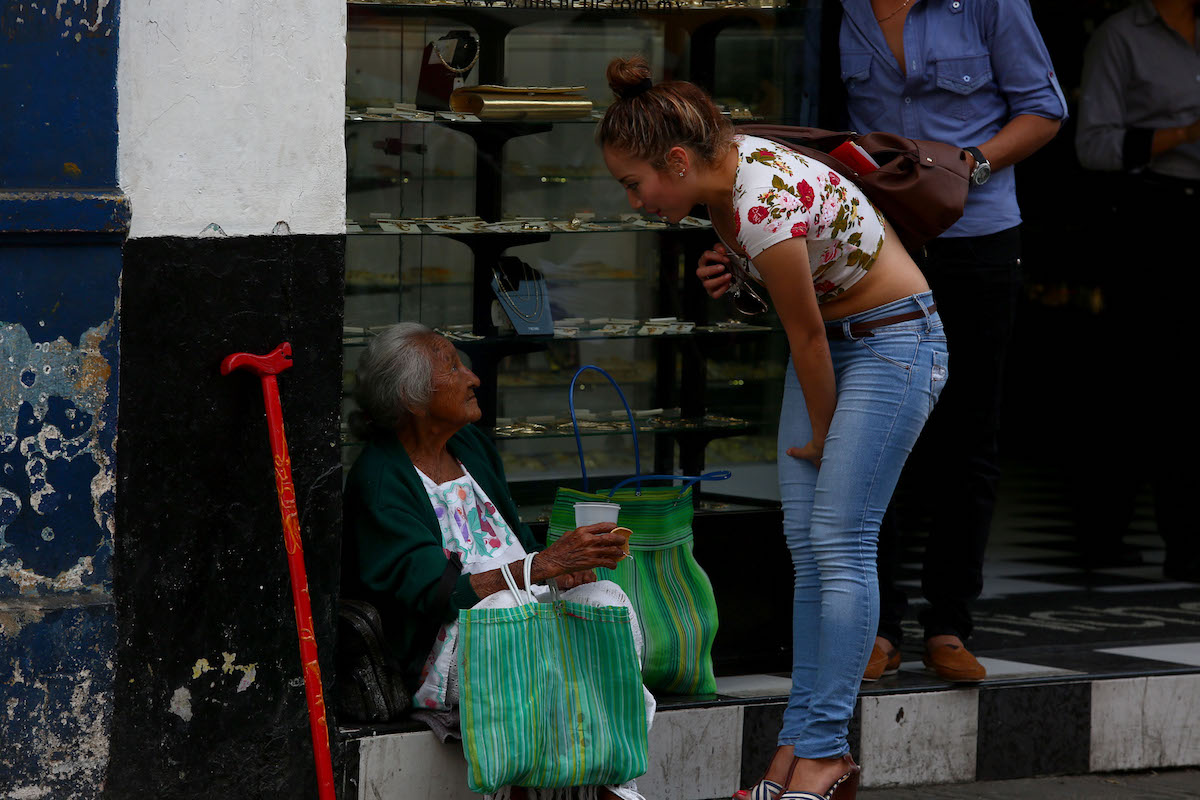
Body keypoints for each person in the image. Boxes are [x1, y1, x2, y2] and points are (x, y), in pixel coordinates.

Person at [598, 56, 948, 800]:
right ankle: (796, 748)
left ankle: (822, 753)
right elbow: (804, 300)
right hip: (840, 346)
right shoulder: (725, 184)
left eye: (635, 183)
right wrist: (738, 281)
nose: (634, 202)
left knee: (842, 543)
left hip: (893, 345)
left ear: (680, 159)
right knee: (808, 546)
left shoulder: (756, 202)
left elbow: (809, 337)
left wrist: (823, 435)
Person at [838, 0, 1067, 683]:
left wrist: (970, 168)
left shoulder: (991, 3)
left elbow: (1043, 110)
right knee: (875, 426)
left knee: (968, 432)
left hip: (977, 236)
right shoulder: (840, 10)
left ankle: (949, 623)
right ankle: (877, 626)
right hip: (874, 239)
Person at [341, 322, 653, 800]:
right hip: (446, 649)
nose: (473, 377)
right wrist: (542, 566)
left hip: (523, 614)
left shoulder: (471, 448)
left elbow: (516, 539)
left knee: (606, 598)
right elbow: (440, 595)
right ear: (413, 397)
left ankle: (617, 780)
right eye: (453, 367)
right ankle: (514, 783)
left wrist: (561, 570)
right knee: (501, 614)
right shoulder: (380, 480)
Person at [1074, 0, 1200, 582]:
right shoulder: (1120, 36)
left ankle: (1188, 541)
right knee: (1137, 377)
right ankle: (1104, 534)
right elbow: (1093, 147)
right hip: (1152, 214)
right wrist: (1186, 133)